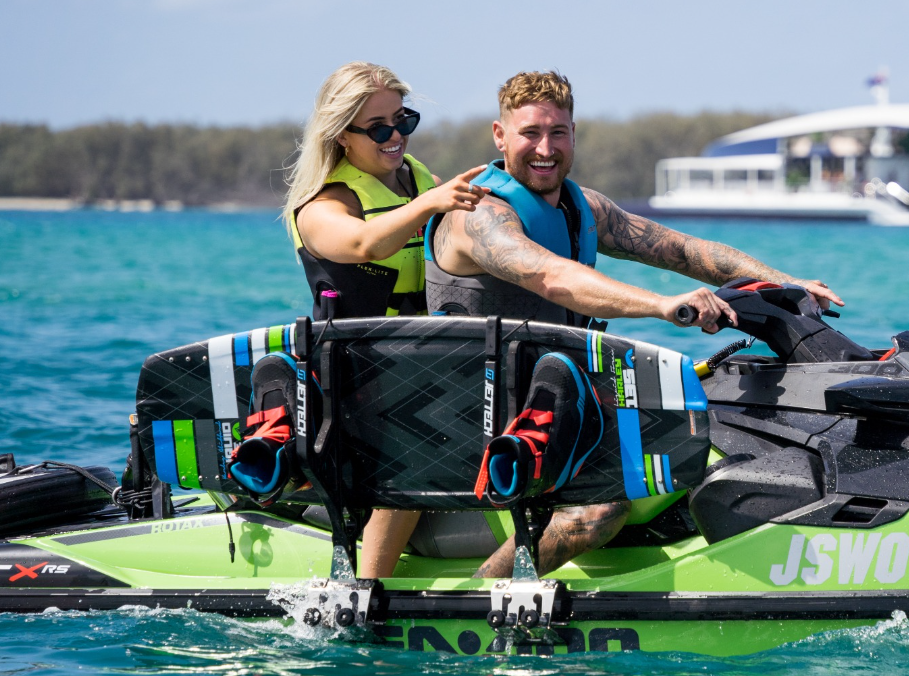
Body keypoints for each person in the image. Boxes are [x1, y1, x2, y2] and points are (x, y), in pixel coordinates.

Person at [425, 70, 844, 578]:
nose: (545, 147)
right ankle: (479, 597)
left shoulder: (583, 210)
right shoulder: (478, 214)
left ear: (574, 135)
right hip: (479, 416)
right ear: (500, 136)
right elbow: (552, 277)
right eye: (530, 132)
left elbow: (684, 250)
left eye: (558, 132)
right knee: (600, 509)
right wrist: (664, 307)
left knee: (716, 422)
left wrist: (785, 281)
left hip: (559, 402)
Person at [282, 61, 488, 578]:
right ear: (341, 136)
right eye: (378, 128)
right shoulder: (323, 205)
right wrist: (430, 205)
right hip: (358, 376)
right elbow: (363, 242)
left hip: (429, 362)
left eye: (404, 120)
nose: (396, 136)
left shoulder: (418, 179)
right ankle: (360, 594)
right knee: (423, 437)